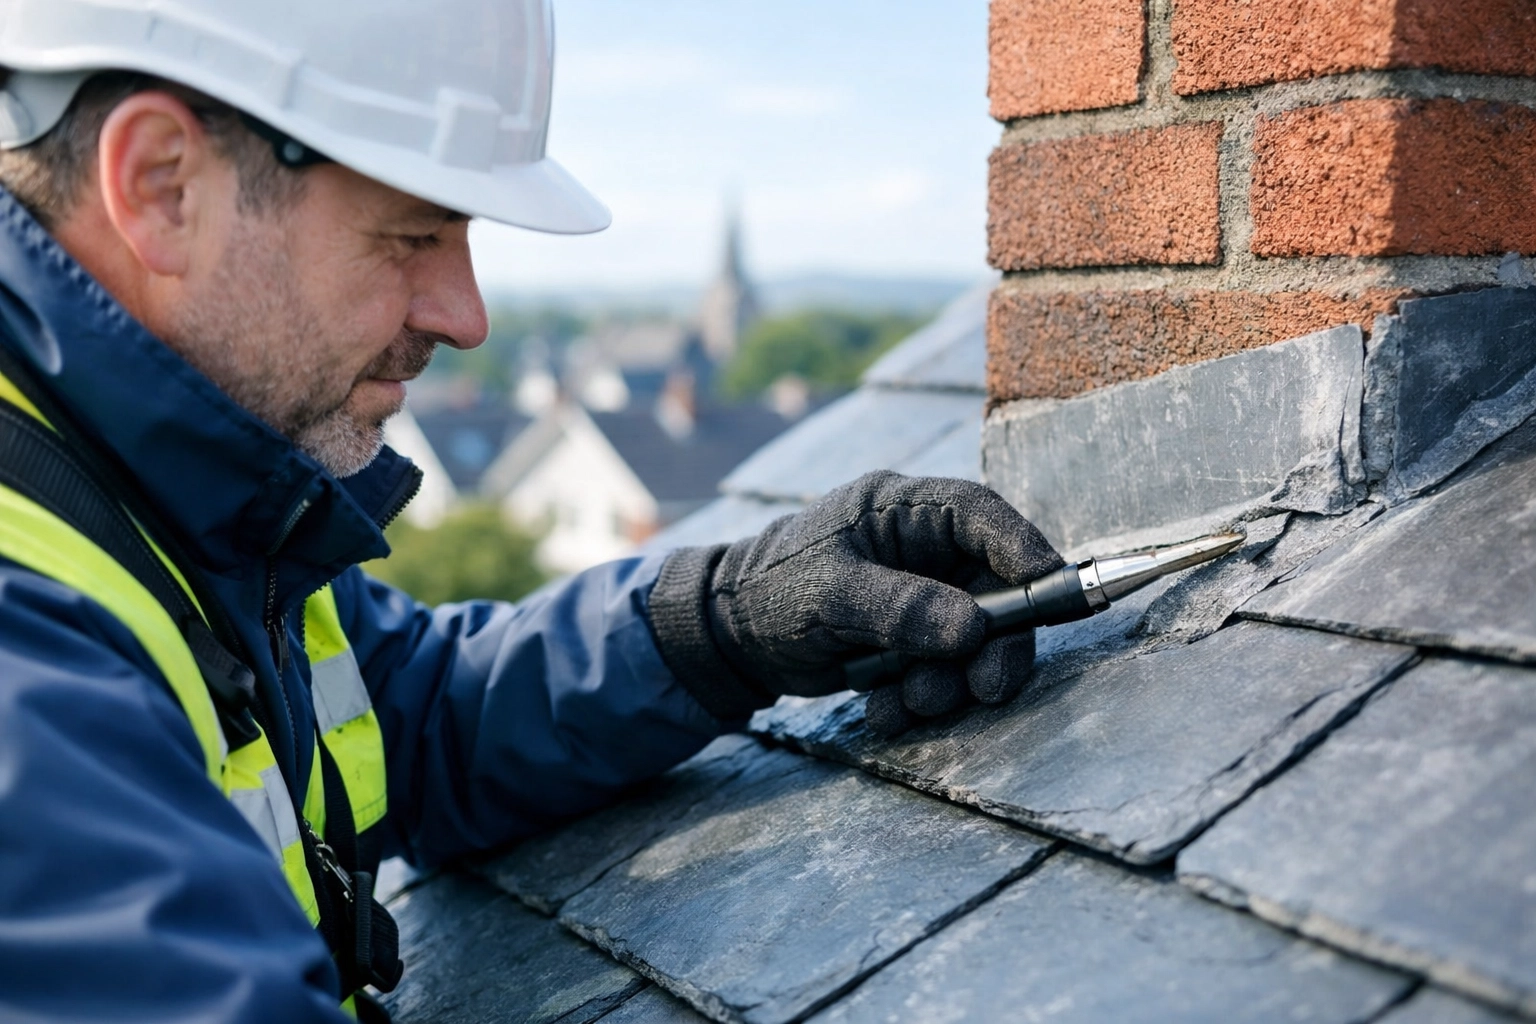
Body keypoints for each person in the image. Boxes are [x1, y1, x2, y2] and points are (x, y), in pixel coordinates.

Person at [0, 2, 1062, 1020]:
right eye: (411, 236)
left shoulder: (176, 511)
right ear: (162, 186)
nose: (466, 316)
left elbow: (409, 714)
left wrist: (723, 617)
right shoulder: (27, 661)